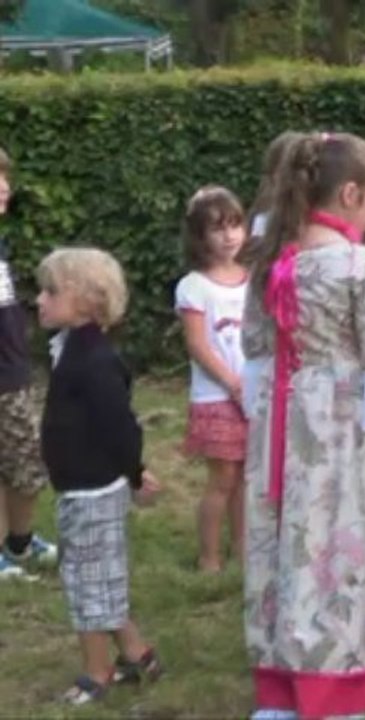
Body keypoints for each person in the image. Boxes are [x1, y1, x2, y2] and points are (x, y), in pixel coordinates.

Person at [239, 132, 365, 720]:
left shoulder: (270, 258)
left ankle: (282, 681)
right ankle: (337, 679)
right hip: (342, 423)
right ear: (348, 194)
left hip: (284, 415)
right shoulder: (357, 263)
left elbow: (254, 343)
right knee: (341, 530)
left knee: (291, 530)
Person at [35, 247, 163, 705]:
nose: (39, 300)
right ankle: (138, 654)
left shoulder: (94, 361)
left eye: (51, 292)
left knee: (87, 584)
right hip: (78, 488)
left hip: (93, 491)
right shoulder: (72, 348)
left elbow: (119, 425)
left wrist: (135, 472)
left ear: (87, 300)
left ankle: (97, 671)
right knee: (97, 575)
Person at [176, 186, 249, 574]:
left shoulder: (253, 279)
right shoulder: (194, 286)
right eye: (218, 228)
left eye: (235, 225)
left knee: (246, 478)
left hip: (253, 394)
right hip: (216, 397)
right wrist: (232, 384)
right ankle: (209, 556)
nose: (229, 236)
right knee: (223, 478)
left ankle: (242, 547)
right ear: (200, 236)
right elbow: (198, 345)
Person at [0, 147, 58, 579]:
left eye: (5, 177)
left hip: (13, 372)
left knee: (24, 462)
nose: (5, 187)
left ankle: (18, 542)